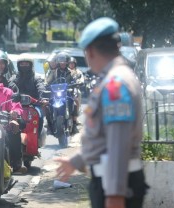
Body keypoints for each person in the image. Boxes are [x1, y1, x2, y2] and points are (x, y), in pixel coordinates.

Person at [55, 17, 149, 208]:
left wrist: (115, 194)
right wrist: (76, 160)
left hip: (116, 185)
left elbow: (118, 141)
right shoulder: (114, 79)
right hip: (112, 180)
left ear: (89, 51)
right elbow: (104, 138)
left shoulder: (116, 84)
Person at [10, 53, 47, 137]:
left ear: (31, 65)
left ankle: (37, 136)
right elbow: (8, 89)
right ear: (18, 65)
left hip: (34, 104)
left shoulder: (36, 78)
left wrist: (43, 98)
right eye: (22, 64)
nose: (24, 66)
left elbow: (41, 88)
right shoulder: (14, 78)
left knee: (40, 115)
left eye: (26, 64)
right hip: (16, 105)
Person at [68, 57, 85, 128]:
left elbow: (81, 79)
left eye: (73, 63)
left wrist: (80, 82)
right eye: (70, 63)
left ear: (75, 64)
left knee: (78, 95)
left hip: (74, 88)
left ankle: (75, 118)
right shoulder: (65, 71)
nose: (71, 65)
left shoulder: (78, 72)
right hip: (65, 89)